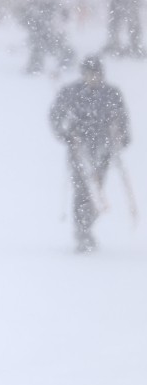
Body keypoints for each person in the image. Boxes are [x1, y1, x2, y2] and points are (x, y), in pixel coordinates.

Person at [49, 56, 131, 254]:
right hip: (79, 148)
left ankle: (88, 225)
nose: (93, 78)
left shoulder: (111, 93)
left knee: (97, 190)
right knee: (82, 189)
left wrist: (123, 136)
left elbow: (122, 117)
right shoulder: (72, 92)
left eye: (96, 74)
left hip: (103, 148)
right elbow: (55, 115)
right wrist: (65, 134)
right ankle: (82, 230)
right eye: (89, 74)